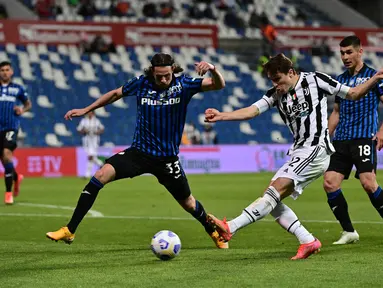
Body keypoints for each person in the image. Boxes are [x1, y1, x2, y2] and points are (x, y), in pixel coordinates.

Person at [204, 53, 383, 259]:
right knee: (271, 199)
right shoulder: (276, 94)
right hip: (299, 150)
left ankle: (230, 227)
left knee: (273, 192)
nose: (276, 85)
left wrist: (375, 78)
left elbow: (352, 93)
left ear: (291, 72)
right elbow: (252, 111)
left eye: (278, 79)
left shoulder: (316, 80)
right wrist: (222, 116)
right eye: (272, 80)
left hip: (316, 148)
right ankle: (307, 240)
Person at [46, 53, 228, 249]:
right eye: (159, 76)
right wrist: (86, 109)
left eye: (167, 75)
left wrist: (213, 69)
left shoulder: (184, 84)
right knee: (100, 174)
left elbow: (218, 85)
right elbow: (116, 94)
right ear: (152, 72)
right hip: (139, 154)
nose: (164, 80)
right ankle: (70, 230)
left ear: (173, 70)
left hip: (167, 160)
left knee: (189, 203)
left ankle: (213, 231)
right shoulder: (141, 83)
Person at [324, 35, 383, 244]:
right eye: (342, 53)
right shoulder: (340, 80)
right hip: (341, 140)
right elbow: (336, 112)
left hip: (364, 138)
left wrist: (382, 131)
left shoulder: (374, 76)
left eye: (349, 52)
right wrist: (325, 137)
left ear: (360, 52)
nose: (345, 57)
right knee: (330, 183)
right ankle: (349, 231)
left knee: (368, 183)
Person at [0, 61, 32, 204]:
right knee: (4, 160)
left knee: (7, 154)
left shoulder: (18, 88)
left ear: (11, 72)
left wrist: (22, 110)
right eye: (2, 70)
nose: (5, 72)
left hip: (11, 127)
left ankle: (8, 194)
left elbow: (28, 104)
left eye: (7, 70)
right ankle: (16, 177)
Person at [77, 111, 104, 179]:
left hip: (94, 140)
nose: (89, 114)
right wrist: (84, 131)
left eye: (90, 113)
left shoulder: (96, 121)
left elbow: (102, 129)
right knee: (91, 157)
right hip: (86, 140)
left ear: (93, 113)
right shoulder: (84, 121)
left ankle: (87, 175)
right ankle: (101, 164)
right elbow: (79, 129)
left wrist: (97, 132)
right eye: (88, 113)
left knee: (90, 157)